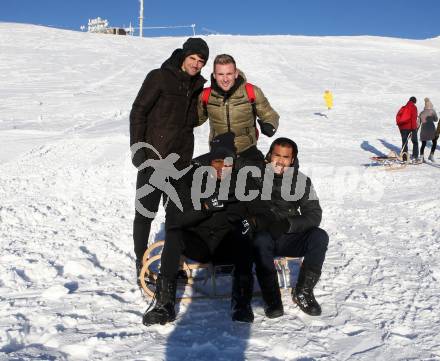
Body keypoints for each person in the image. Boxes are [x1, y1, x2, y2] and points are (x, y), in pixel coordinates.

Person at [142, 133, 255, 326]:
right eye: (218, 161)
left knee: (245, 234)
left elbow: (255, 213)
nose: (222, 168)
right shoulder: (190, 179)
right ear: (210, 161)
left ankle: (241, 302)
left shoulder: (243, 181)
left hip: (226, 248)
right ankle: (164, 304)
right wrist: (205, 207)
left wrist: (244, 219)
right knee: (174, 234)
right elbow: (176, 220)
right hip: (198, 245)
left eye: (227, 163)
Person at [129, 38, 209, 282]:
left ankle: (173, 261)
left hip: (180, 161)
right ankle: (140, 260)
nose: (196, 64)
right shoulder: (159, 77)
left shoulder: (197, 85)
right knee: (145, 213)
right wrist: (138, 149)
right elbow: (138, 111)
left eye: (201, 61)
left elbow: (193, 120)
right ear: (184, 56)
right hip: (153, 157)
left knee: (177, 214)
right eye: (193, 58)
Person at [247, 137, 328, 318]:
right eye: (277, 155)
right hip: (262, 237)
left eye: (285, 157)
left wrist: (288, 224)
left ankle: (303, 292)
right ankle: (272, 298)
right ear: (269, 156)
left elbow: (314, 214)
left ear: (292, 159)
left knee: (319, 236)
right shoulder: (254, 176)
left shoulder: (301, 181)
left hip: (288, 235)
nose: (280, 161)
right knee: (261, 240)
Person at [197, 54, 279, 167]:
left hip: (247, 150)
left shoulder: (251, 92)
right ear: (214, 75)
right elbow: (196, 119)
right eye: (221, 74)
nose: (225, 79)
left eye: (229, 74)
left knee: (257, 180)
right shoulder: (206, 95)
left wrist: (270, 124)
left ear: (235, 74)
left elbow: (269, 114)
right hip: (219, 151)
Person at [396, 96, 419, 161]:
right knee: (415, 142)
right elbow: (413, 118)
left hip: (403, 127)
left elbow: (399, 117)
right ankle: (415, 156)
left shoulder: (403, 107)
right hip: (411, 127)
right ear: (414, 101)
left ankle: (404, 158)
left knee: (404, 142)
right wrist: (414, 129)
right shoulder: (413, 107)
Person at [419, 98, 438, 162]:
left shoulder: (421, 112)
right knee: (434, 142)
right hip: (432, 130)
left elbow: (418, 122)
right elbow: (436, 119)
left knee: (423, 143)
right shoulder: (432, 111)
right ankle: (431, 155)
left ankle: (421, 157)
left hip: (423, 130)